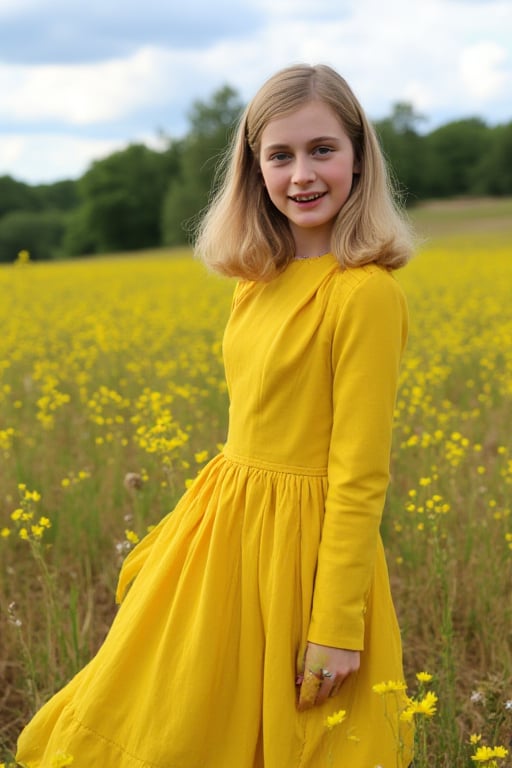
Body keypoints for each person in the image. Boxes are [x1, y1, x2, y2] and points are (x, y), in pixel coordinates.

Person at [16, 63, 414, 768]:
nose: (302, 174)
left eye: (323, 149)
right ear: (254, 168)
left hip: (301, 554)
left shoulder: (364, 296)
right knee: (174, 717)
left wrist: (335, 624)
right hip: (226, 529)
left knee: (289, 737)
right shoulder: (256, 282)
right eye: (280, 155)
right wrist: (183, 535)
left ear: (359, 155)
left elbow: (360, 476)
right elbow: (249, 432)